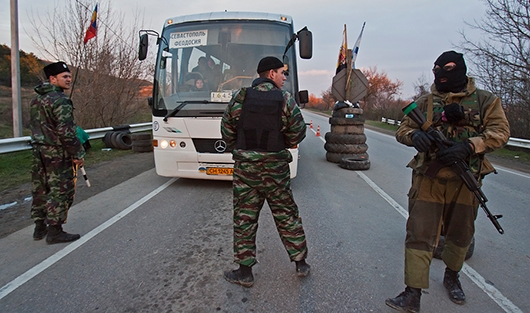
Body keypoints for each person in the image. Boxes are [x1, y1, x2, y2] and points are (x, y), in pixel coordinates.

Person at [387, 51, 510, 312]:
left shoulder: (486, 101)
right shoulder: (426, 102)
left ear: (461, 70)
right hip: (429, 179)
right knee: (419, 234)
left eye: (449, 68)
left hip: (466, 180)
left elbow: (500, 133)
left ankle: (452, 276)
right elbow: (403, 129)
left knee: (460, 235)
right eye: (437, 69)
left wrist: (469, 146)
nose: (442, 73)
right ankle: (412, 293)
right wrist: (414, 138)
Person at [221, 56, 310, 287]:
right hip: (276, 170)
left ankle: (245, 272)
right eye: (282, 73)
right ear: (271, 74)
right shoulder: (285, 99)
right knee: (286, 214)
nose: (284, 77)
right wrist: (283, 143)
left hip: (246, 171)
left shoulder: (240, 97)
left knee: (244, 218)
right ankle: (300, 263)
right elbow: (298, 131)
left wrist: (241, 150)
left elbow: (226, 130)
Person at [30, 61, 86, 244]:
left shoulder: (36, 99)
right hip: (56, 153)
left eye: (69, 76)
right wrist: (77, 153)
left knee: (40, 188)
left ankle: (40, 228)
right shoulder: (60, 100)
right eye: (65, 77)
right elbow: (65, 131)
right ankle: (54, 231)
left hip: (39, 151)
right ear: (52, 79)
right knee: (60, 189)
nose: (69, 79)